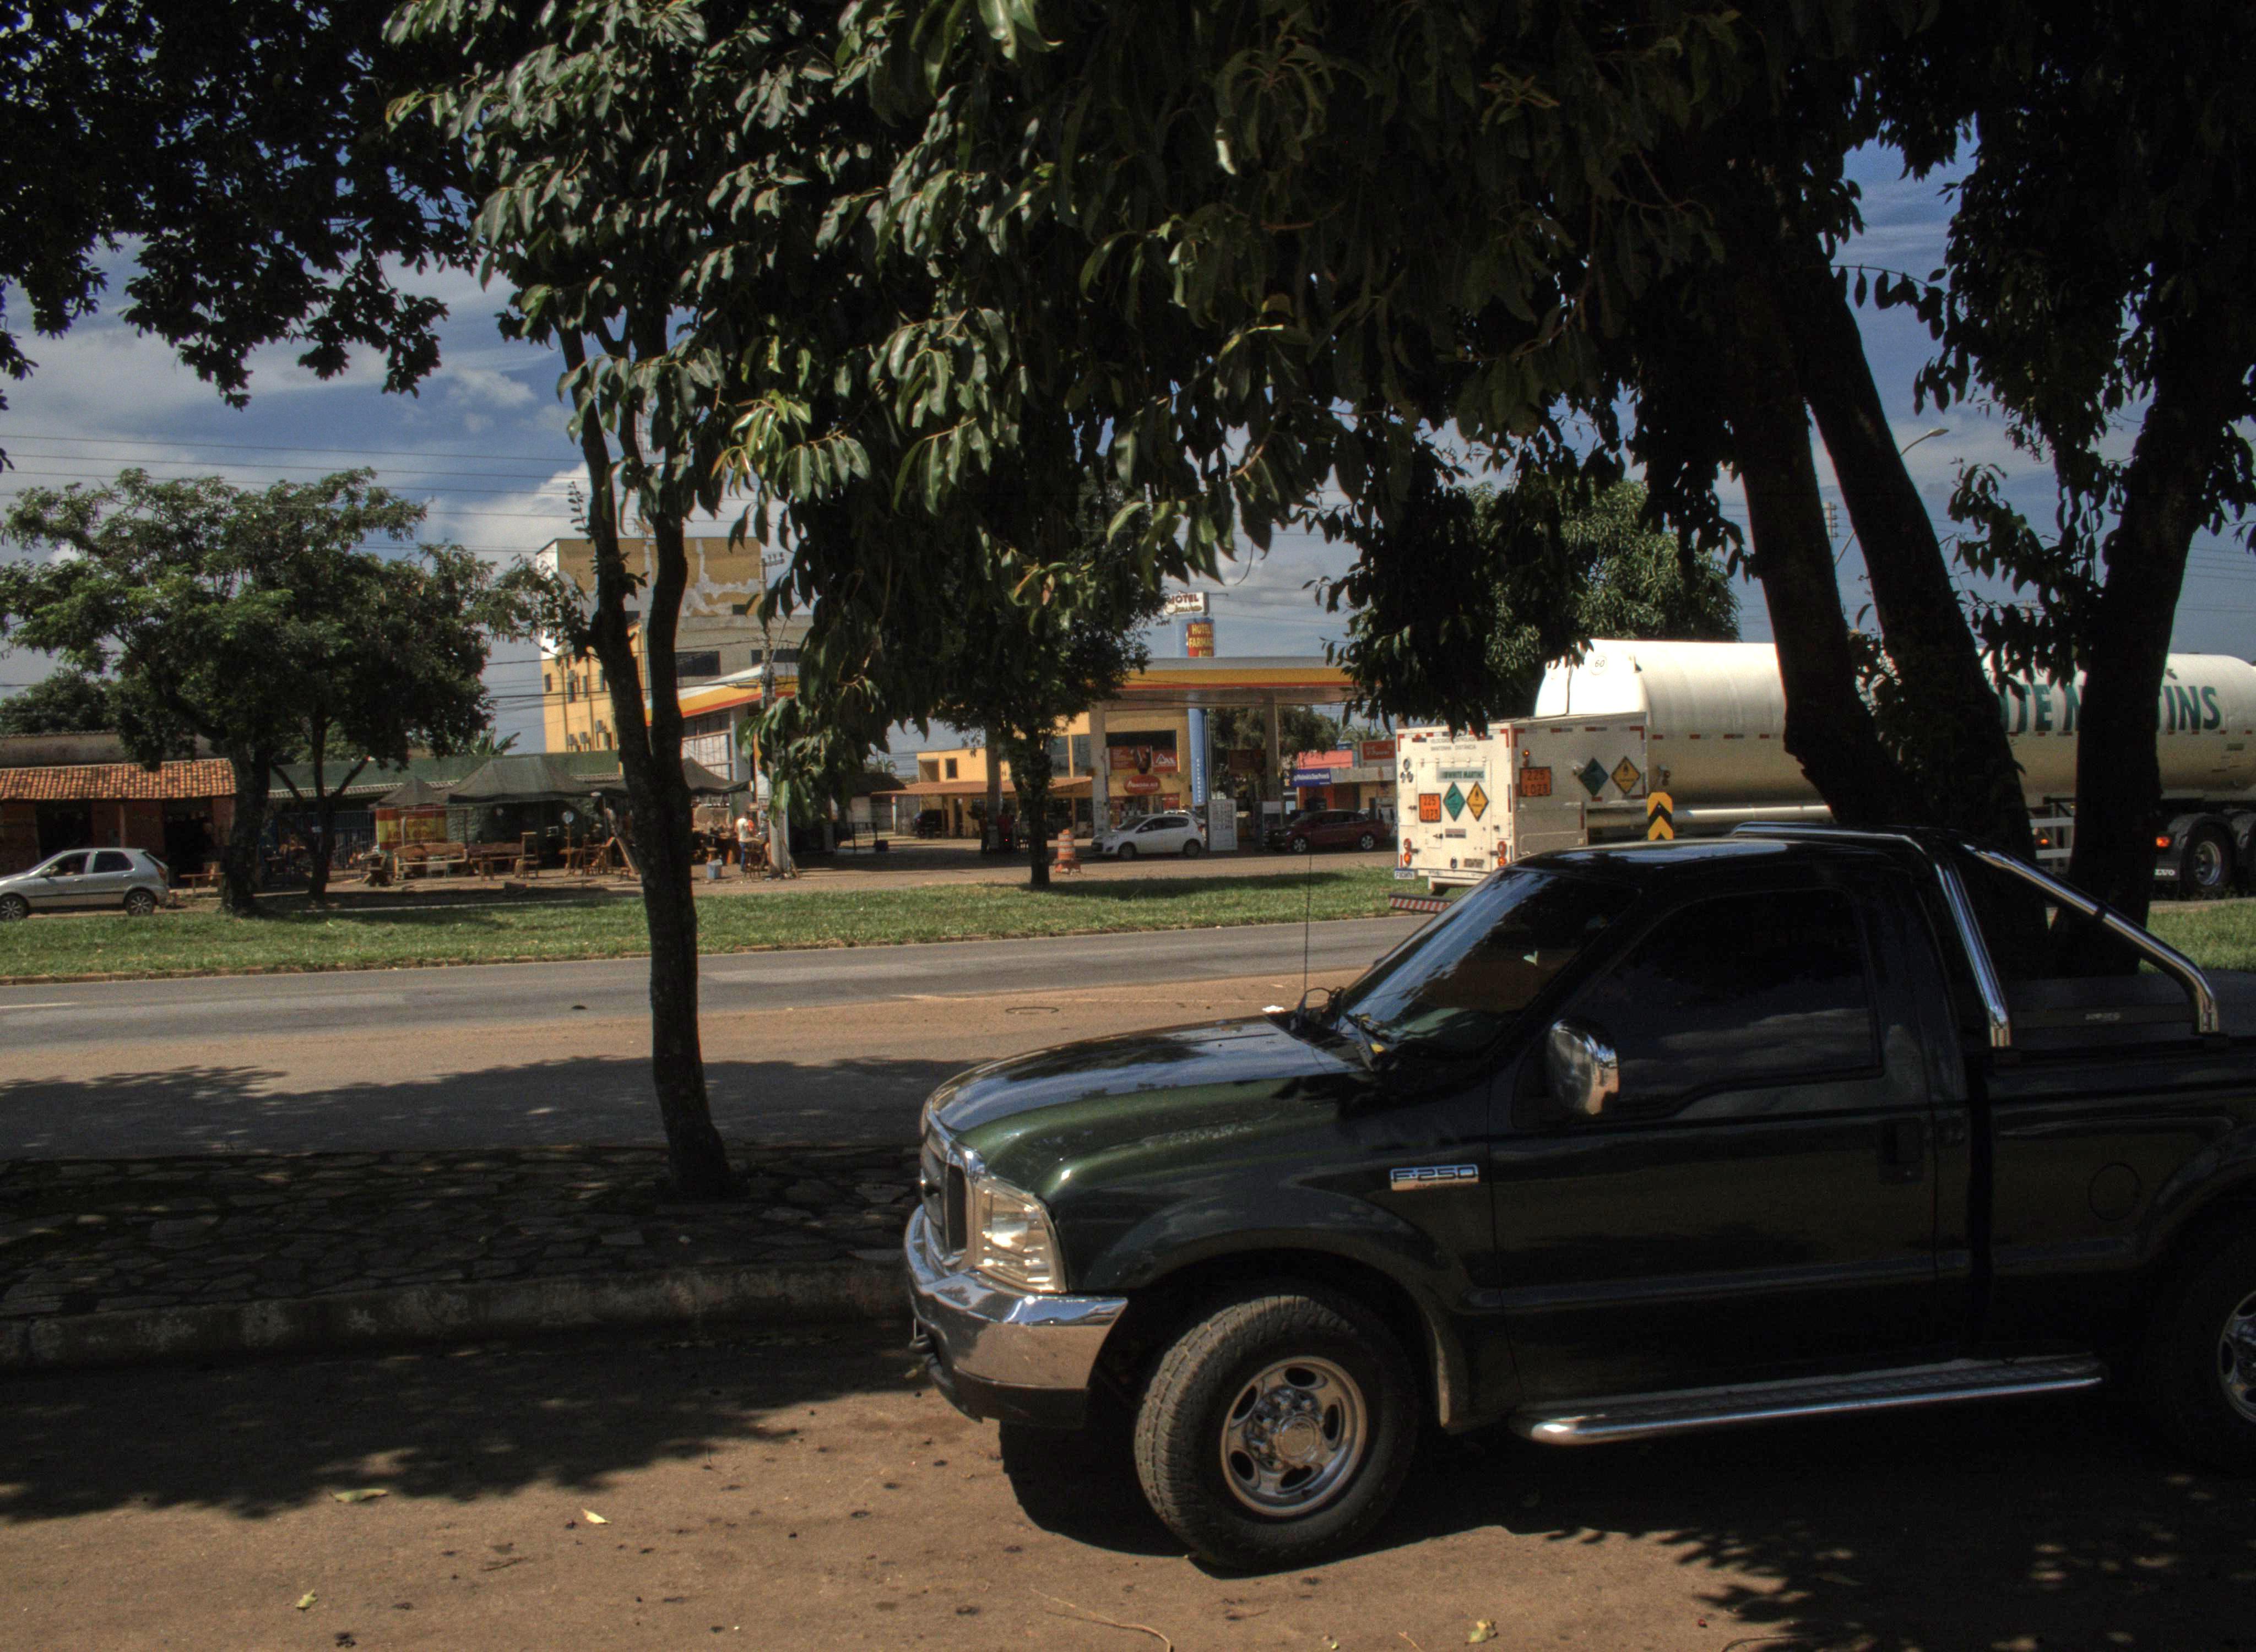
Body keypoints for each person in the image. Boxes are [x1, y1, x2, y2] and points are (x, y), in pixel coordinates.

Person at [735, 810, 757, 875]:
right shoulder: (745, 821)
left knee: (743, 853)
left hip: (740, 839)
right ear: (747, 815)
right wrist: (753, 833)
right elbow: (748, 830)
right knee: (746, 854)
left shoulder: (738, 821)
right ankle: (744, 867)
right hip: (745, 840)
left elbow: (736, 831)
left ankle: (744, 867)